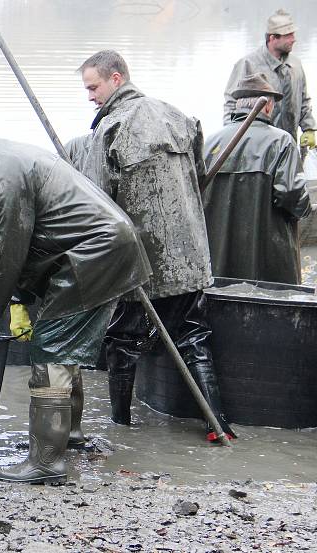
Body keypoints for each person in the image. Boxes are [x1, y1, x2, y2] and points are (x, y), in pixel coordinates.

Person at [0, 105, 151, 485]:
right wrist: (17, 303)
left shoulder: (0, 176)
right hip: (100, 249)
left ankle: (47, 460)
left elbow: (7, 256)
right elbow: (26, 246)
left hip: (94, 254)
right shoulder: (5, 158)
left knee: (53, 347)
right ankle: (69, 437)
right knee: (64, 343)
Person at [79, 49, 236, 442]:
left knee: (120, 341)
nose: (90, 96)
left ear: (116, 79)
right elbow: (198, 177)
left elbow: (95, 200)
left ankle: (120, 426)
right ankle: (219, 425)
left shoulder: (109, 128)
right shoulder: (179, 116)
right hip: (192, 255)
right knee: (193, 335)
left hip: (143, 262)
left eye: (93, 87)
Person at [205, 73, 312, 284]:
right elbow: (293, 197)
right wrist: (307, 206)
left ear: (238, 106)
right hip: (269, 265)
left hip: (218, 260)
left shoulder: (211, 142)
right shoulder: (281, 141)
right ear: (268, 106)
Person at [223, 9, 316, 147]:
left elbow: (303, 100)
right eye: (288, 35)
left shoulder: (295, 65)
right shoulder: (248, 64)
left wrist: (309, 128)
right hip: (257, 146)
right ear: (273, 38)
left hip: (289, 144)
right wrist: (232, 138)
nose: (294, 39)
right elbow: (231, 103)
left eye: (293, 34)